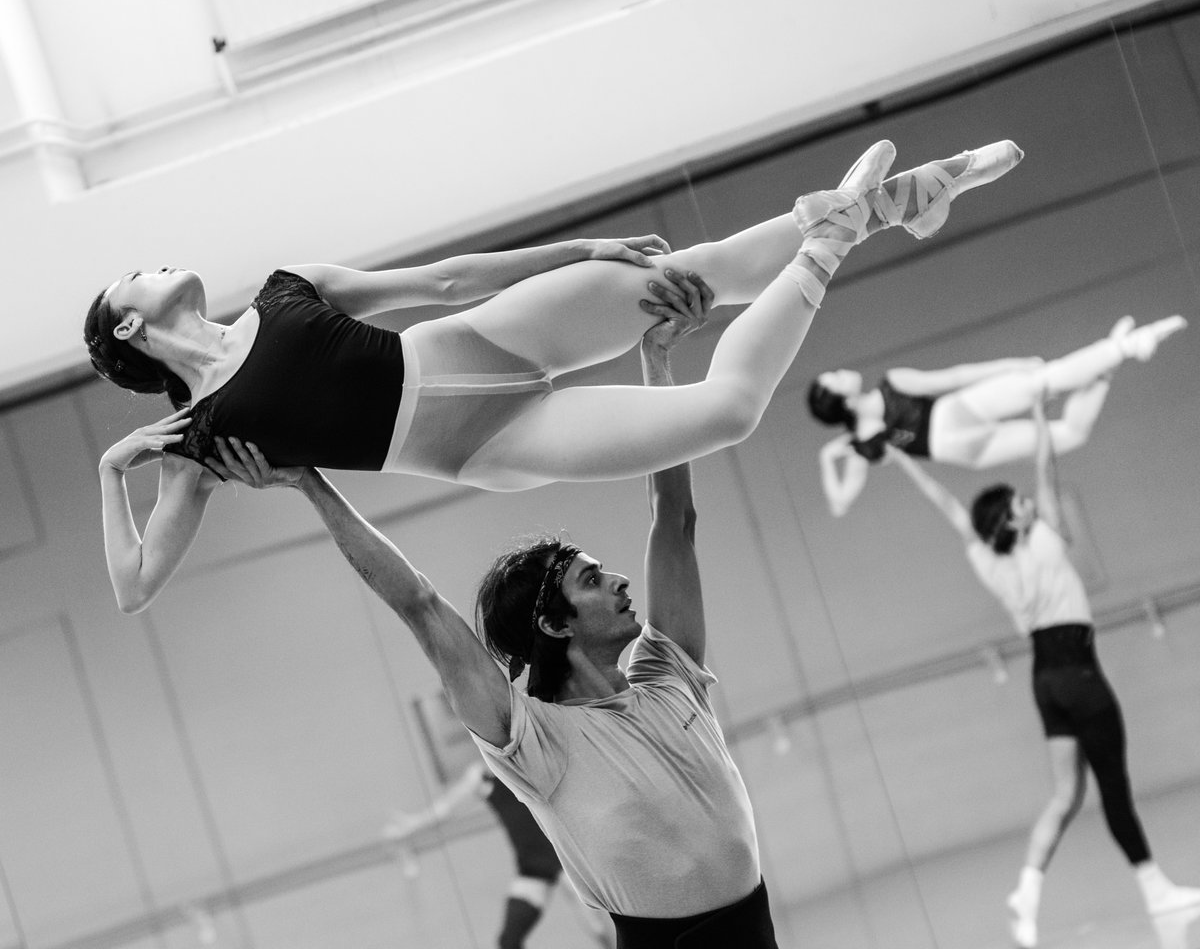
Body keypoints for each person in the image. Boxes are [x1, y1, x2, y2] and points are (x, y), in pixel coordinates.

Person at [87, 138, 1024, 612]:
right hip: (488, 445)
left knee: (699, 275)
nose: (161, 260)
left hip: (490, 338)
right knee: (727, 413)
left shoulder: (288, 289)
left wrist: (583, 245)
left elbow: (445, 279)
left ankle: (906, 197)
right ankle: (843, 225)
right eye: (141, 270)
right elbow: (132, 586)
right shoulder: (194, 443)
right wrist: (108, 474)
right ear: (130, 323)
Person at [210, 284, 784, 947]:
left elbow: (674, 521)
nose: (623, 581)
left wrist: (657, 360)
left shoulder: (670, 673)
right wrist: (308, 482)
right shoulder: (531, 741)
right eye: (593, 580)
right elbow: (418, 604)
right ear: (555, 623)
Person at [889, 396, 1200, 948]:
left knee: (1065, 793)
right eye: (1021, 502)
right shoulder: (1047, 540)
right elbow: (1046, 469)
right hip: (1079, 671)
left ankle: (1026, 894)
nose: (1031, 502)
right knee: (1113, 788)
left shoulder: (991, 560)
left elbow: (947, 507)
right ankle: (1156, 890)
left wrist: (904, 461)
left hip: (1044, 681)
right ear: (1014, 517)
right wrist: (1038, 417)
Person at [809, 313, 1187, 515]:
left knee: (1071, 435)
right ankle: (1127, 345)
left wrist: (828, 460)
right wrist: (1012, 363)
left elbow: (840, 504)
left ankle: (1110, 360)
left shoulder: (861, 447)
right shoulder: (891, 384)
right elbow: (955, 376)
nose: (843, 372)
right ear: (839, 397)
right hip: (952, 417)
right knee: (1048, 380)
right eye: (836, 378)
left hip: (959, 453)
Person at [384, 758, 616, 949]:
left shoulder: (524, 758)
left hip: (562, 858)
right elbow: (445, 810)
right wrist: (412, 825)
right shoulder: (480, 775)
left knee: (598, 928)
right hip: (532, 866)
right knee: (508, 941)